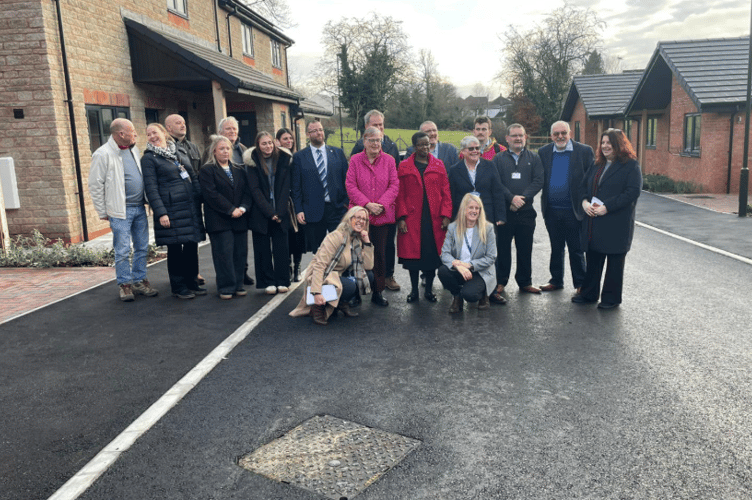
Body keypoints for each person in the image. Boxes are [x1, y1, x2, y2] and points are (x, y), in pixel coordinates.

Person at [88, 118, 158, 302]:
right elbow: (95, 185)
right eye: (132, 131)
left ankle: (139, 281)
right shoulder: (102, 154)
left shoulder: (133, 149)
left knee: (142, 247)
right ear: (121, 134)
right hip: (120, 211)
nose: (135, 134)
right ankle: (125, 285)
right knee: (122, 250)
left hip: (139, 208)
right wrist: (103, 212)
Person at [573, 129, 642, 309]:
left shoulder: (631, 165)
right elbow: (582, 187)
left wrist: (608, 207)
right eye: (602, 143)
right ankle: (589, 294)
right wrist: (584, 203)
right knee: (593, 260)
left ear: (619, 144)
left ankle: (611, 299)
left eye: (609, 143)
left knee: (614, 264)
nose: (605, 146)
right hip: (593, 223)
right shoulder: (597, 165)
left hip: (616, 223)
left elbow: (633, 192)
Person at [142, 123, 205, 299]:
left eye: (155, 132)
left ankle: (192, 281)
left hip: (189, 207)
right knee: (176, 249)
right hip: (170, 210)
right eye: (148, 134)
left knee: (191, 245)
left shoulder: (177, 152)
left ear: (163, 133)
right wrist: (161, 212)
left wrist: (199, 197)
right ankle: (179, 287)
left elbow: (192, 175)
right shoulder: (149, 159)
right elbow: (151, 188)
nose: (152, 136)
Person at [289, 206, 376, 326]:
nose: (361, 221)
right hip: (324, 274)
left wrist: (366, 241)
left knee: (369, 276)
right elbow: (320, 265)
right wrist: (316, 292)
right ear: (349, 219)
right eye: (358, 217)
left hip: (339, 274)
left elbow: (368, 266)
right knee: (350, 286)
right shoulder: (336, 237)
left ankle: (341, 302)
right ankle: (317, 308)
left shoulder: (357, 238)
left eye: (364, 219)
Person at [346, 126, 399, 307]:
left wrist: (382, 205)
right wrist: (367, 205)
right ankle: (356, 293)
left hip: (382, 217)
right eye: (372, 140)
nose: (375, 144)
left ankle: (378, 291)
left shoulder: (389, 160)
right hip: (359, 217)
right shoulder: (354, 160)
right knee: (356, 255)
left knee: (379, 255)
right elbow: (350, 185)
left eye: (378, 140)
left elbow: (394, 185)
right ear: (364, 141)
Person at [537, 120, 593, 294]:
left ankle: (580, 284)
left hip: (574, 210)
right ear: (551, 136)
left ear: (570, 133)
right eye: (556, 134)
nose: (560, 136)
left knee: (576, 249)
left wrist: (588, 202)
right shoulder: (543, 152)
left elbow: (591, 180)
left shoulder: (584, 151)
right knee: (556, 247)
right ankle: (556, 280)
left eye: (563, 133)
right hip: (552, 210)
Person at [396, 132, 452, 303]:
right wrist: (401, 218)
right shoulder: (404, 166)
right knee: (414, 259)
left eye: (427, 144)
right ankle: (414, 291)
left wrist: (446, 215)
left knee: (431, 256)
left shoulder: (439, 165)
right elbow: (399, 194)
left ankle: (428, 290)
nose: (425, 148)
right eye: (421, 145)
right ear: (414, 146)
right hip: (412, 219)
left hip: (433, 219)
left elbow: (446, 192)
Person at [493, 124, 544, 300]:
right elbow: (496, 182)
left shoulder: (534, 158)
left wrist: (522, 199)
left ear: (525, 137)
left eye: (521, 135)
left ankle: (525, 282)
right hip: (505, 212)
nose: (518, 139)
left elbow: (538, 180)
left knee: (525, 248)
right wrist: (511, 198)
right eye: (514, 136)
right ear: (507, 138)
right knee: (502, 248)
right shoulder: (498, 159)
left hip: (526, 212)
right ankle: (500, 281)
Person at [291, 120, 349, 271]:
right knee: (319, 252)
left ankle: (343, 283)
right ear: (308, 134)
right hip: (313, 211)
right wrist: (299, 210)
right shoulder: (299, 157)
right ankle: (321, 283)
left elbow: (347, 181)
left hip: (337, 209)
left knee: (340, 247)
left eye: (321, 130)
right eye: (315, 131)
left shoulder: (337, 153)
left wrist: (346, 204)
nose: (319, 133)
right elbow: (296, 187)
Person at [199, 135, 252, 299]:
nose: (225, 151)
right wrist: (230, 209)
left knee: (239, 254)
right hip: (219, 220)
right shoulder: (207, 170)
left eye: (228, 148)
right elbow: (211, 195)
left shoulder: (239, 169)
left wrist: (242, 208)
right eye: (221, 148)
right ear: (214, 151)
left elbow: (247, 192)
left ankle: (238, 284)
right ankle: (225, 287)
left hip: (240, 218)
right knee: (224, 254)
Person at [244, 131, 292, 295]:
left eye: (270, 143)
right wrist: (269, 212)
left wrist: (279, 211)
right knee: (262, 248)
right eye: (264, 143)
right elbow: (254, 190)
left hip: (281, 209)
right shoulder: (252, 162)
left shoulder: (284, 159)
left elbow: (286, 187)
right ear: (258, 145)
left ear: (274, 143)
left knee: (281, 248)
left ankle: (282, 280)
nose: (268, 146)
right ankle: (267, 281)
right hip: (261, 212)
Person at [165, 113, 207, 286]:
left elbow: (198, 171)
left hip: (193, 199)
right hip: (176, 202)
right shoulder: (166, 147)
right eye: (178, 123)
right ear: (168, 128)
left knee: (192, 240)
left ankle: (193, 274)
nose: (183, 125)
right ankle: (179, 279)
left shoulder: (193, 147)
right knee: (176, 243)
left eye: (183, 122)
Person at [438, 193, 497, 313]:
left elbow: (491, 257)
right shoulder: (453, 228)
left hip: (480, 271)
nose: (474, 211)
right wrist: (457, 265)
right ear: (464, 209)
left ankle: (483, 295)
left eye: (477, 208)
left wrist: (468, 265)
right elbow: (444, 253)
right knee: (442, 271)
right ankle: (457, 296)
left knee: (470, 295)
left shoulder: (488, 228)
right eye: (471, 207)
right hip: (460, 269)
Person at [448, 135, 506, 223]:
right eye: (471, 149)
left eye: (477, 148)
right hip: (463, 217)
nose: (475, 151)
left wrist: (500, 216)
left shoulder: (490, 166)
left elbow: (497, 192)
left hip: (487, 216)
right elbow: (452, 195)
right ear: (463, 151)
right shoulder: (454, 170)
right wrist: (451, 218)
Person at [277, 127, 305, 282]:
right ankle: (287, 267)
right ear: (278, 141)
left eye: (290, 139)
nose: (288, 141)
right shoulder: (276, 160)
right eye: (285, 139)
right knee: (285, 238)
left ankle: (297, 267)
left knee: (297, 238)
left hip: (296, 204)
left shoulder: (297, 158)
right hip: (282, 204)